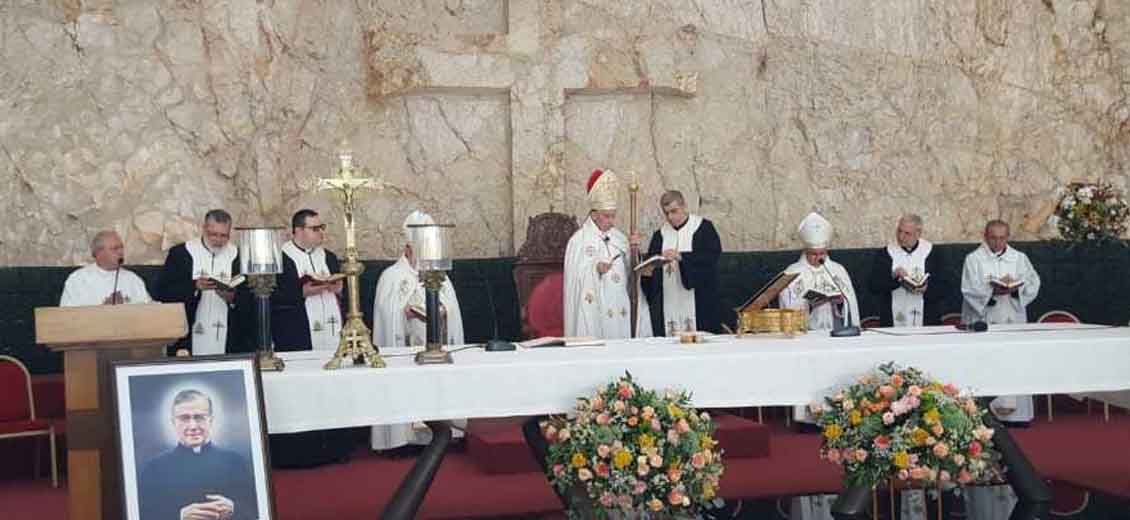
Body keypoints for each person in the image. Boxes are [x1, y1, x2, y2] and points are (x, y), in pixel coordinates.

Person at [777, 213, 861, 520]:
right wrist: (809, 305)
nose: (818, 258)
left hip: (835, 335)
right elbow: (787, 307)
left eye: (821, 254)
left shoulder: (837, 270)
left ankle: (838, 419)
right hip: (808, 337)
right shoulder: (792, 272)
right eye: (814, 254)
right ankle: (808, 422)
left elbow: (851, 303)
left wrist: (840, 302)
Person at [370, 210, 466, 452]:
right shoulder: (391, 277)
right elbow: (386, 315)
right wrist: (405, 313)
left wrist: (445, 312)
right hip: (409, 351)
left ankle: (447, 433)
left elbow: (453, 309)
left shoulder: (440, 276)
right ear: (408, 248)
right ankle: (403, 439)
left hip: (437, 348)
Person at [138, 389, 257, 520]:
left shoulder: (236, 462)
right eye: (184, 418)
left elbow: (258, 510)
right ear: (173, 422)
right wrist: (179, 516)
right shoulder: (153, 469)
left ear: (210, 420)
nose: (193, 426)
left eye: (199, 417)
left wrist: (234, 509)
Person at [563, 169, 652, 339]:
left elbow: (631, 273)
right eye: (607, 216)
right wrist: (595, 269)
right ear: (594, 214)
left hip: (622, 308)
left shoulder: (619, 238)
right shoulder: (578, 241)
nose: (611, 221)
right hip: (598, 312)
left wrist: (635, 254)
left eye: (613, 216)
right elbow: (575, 281)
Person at [155, 210, 244, 355]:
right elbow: (161, 292)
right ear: (204, 229)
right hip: (188, 334)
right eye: (213, 234)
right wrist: (194, 286)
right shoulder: (181, 254)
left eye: (224, 236)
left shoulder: (238, 256)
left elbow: (249, 298)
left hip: (230, 337)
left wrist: (233, 298)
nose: (219, 240)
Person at [639, 190, 723, 334]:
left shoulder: (703, 228)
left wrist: (682, 258)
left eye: (674, 211)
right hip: (668, 305)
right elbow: (652, 278)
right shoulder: (660, 236)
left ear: (684, 206)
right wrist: (648, 271)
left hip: (699, 304)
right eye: (666, 213)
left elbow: (711, 259)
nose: (670, 217)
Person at [271, 209, 344, 351]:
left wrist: (339, 290)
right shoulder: (280, 258)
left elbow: (343, 294)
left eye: (322, 228)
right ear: (298, 230)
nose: (321, 232)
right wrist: (300, 293)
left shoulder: (329, 257)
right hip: (297, 333)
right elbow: (272, 297)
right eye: (315, 229)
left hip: (332, 325)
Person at [867, 214, 946, 327]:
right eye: (899, 231)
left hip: (927, 319)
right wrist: (893, 277)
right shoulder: (885, 254)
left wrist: (927, 288)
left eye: (907, 233)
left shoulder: (933, 253)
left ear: (918, 233)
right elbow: (873, 286)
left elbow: (945, 287)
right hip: (892, 320)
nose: (901, 237)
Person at [60, 230, 152, 306]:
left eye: (121, 247)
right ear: (99, 253)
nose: (121, 252)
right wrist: (103, 309)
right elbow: (66, 317)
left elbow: (149, 311)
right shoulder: (77, 280)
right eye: (115, 248)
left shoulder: (133, 279)